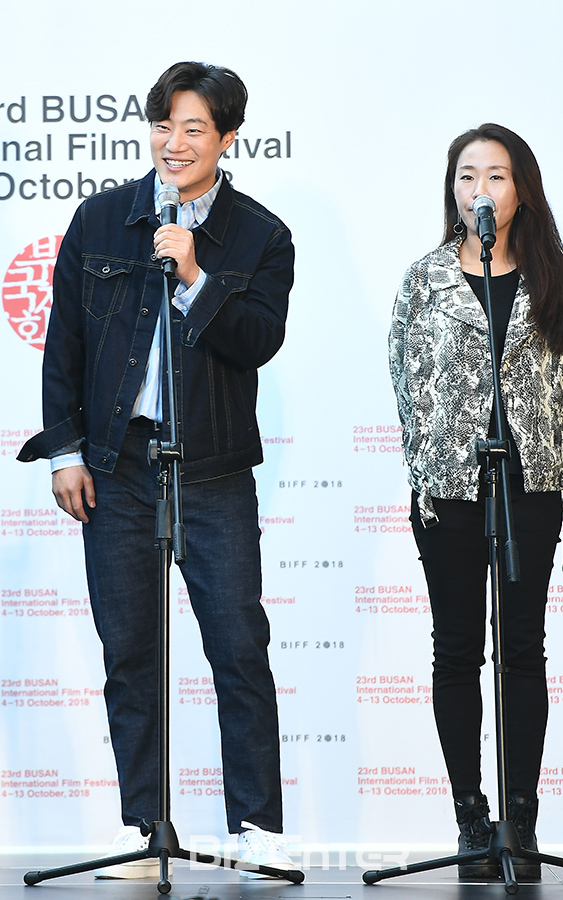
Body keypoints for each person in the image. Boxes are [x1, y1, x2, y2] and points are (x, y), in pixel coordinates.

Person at [19, 61, 295, 879]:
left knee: (239, 647)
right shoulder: (102, 219)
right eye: (163, 125)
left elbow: (258, 342)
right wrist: (65, 452)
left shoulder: (261, 235)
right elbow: (64, 344)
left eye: (193, 128)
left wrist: (196, 277)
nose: (173, 143)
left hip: (212, 471)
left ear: (228, 138)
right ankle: (145, 828)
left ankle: (257, 828)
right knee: (130, 654)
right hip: (116, 467)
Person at [388, 124, 563, 880]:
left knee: (523, 649)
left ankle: (521, 816)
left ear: (521, 190)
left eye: (496, 176)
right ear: (454, 191)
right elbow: (404, 376)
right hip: (448, 490)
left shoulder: (554, 278)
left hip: (529, 488)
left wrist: (544, 452)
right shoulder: (425, 279)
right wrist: (429, 458)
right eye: (467, 175)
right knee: (456, 650)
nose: (480, 189)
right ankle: (471, 815)